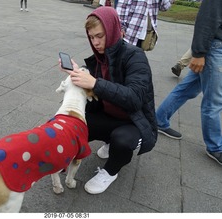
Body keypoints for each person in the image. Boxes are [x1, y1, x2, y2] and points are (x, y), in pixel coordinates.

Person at [59, 7, 157, 194]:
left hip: (133, 121)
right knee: (72, 121)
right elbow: (93, 92)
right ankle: (71, 153)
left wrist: (95, 83)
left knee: (122, 141)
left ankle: (111, 171)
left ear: (112, 30)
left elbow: (135, 99)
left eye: (100, 36)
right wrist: (77, 73)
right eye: (91, 37)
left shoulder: (135, 56)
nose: (95, 42)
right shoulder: (98, 58)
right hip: (108, 115)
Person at [156, 0, 222, 167]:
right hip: (217, 47)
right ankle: (215, 147)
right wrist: (199, 53)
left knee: (186, 89)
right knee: (214, 101)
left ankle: (159, 120)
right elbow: (207, 18)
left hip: (218, 46)